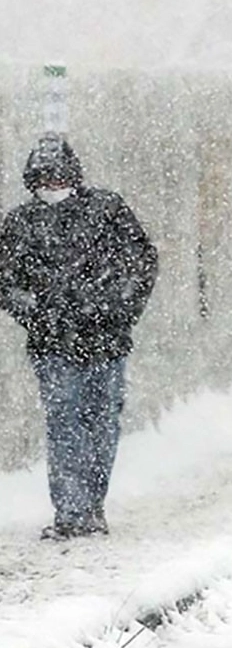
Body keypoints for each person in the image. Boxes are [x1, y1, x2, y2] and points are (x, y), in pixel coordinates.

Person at [0, 133, 158, 540]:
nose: (51, 188)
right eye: (43, 181)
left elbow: (141, 264)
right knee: (64, 422)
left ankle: (91, 505)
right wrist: (38, 314)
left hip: (106, 341)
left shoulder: (107, 210)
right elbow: (7, 282)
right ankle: (71, 512)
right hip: (53, 344)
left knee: (101, 423)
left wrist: (115, 309)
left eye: (57, 178)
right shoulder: (20, 223)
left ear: (73, 176)